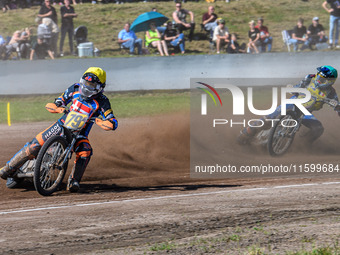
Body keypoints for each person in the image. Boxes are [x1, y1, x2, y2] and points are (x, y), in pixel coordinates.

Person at [0, 67, 118, 192]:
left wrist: (105, 122)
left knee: (85, 151)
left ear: (100, 86)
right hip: (61, 125)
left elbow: (112, 120)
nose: (86, 87)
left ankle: (74, 181)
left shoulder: (103, 101)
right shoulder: (75, 88)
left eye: (91, 85)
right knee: (35, 144)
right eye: (85, 83)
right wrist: (58, 107)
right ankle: (9, 167)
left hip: (80, 134)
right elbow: (58, 101)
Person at [237, 66, 340, 145]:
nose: (318, 80)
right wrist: (293, 88)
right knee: (269, 118)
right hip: (293, 103)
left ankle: (301, 145)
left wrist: (337, 106)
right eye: (318, 76)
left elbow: (338, 107)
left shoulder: (331, 93)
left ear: (329, 81)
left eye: (322, 80)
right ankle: (245, 133)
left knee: (318, 128)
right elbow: (299, 85)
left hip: (305, 113)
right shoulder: (310, 78)